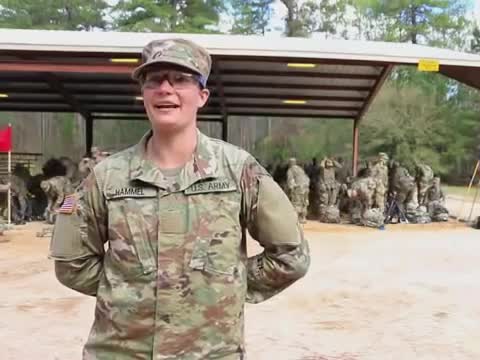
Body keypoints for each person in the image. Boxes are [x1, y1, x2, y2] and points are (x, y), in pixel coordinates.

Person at [49, 38, 310, 360]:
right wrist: (130, 291)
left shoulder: (238, 170)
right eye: (154, 80)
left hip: (211, 353)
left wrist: (223, 287)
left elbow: (290, 256)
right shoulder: (106, 177)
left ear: (202, 96)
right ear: (143, 94)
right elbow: (72, 263)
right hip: (119, 352)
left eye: (181, 79)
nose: (165, 89)